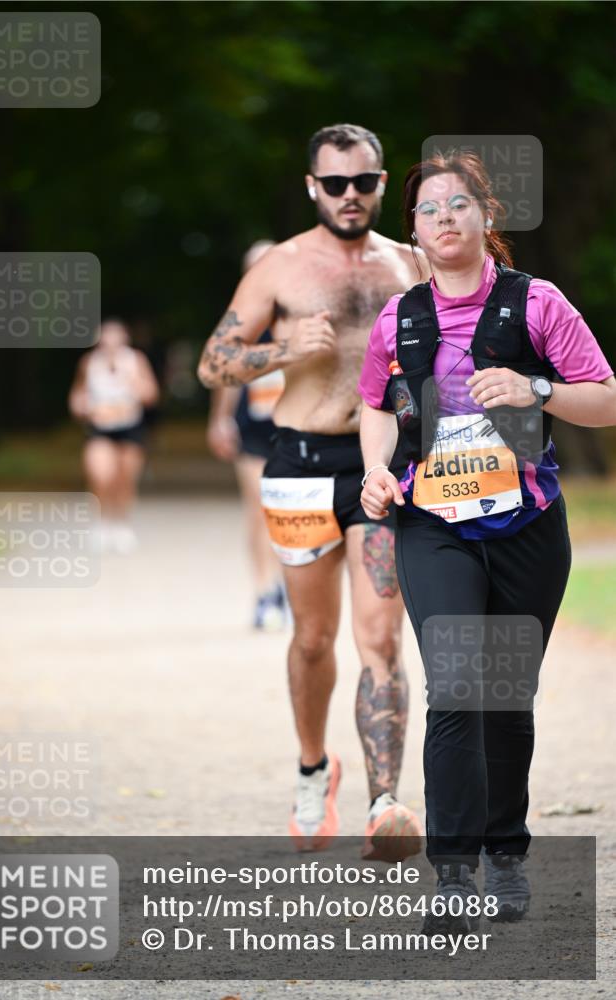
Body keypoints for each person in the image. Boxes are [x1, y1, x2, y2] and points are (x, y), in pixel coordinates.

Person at [358, 150, 616, 928]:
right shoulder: (398, 318)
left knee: (505, 697)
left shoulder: (537, 305)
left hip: (526, 526)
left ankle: (506, 855)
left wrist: (536, 389)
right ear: (413, 231)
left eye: (458, 204)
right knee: (455, 688)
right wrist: (375, 468)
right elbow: (374, 402)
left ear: (485, 217)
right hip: (432, 525)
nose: (444, 217)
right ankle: (454, 874)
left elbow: (604, 400)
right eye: (429, 209)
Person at [198, 124, 429, 858]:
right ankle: (311, 768)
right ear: (311, 187)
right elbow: (213, 364)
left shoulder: (413, 264)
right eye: (334, 184)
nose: (349, 196)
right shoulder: (279, 267)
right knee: (311, 638)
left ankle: (384, 803)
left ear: (382, 184)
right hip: (298, 464)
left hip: (381, 467)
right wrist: (282, 349)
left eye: (363, 182)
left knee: (380, 635)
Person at [206, 240, 287, 631]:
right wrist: (220, 420)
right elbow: (228, 376)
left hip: (295, 426)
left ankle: (290, 584)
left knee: (288, 511)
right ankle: (264, 591)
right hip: (252, 427)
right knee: (258, 507)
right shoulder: (240, 321)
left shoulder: (302, 314)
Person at [69, 318, 159, 553]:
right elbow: (78, 396)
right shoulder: (89, 363)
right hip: (100, 428)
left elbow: (151, 394)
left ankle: (121, 524)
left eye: (115, 336)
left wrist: (133, 384)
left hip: (130, 428)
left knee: (125, 478)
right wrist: (83, 406)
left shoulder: (135, 361)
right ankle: (102, 523)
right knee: (101, 475)